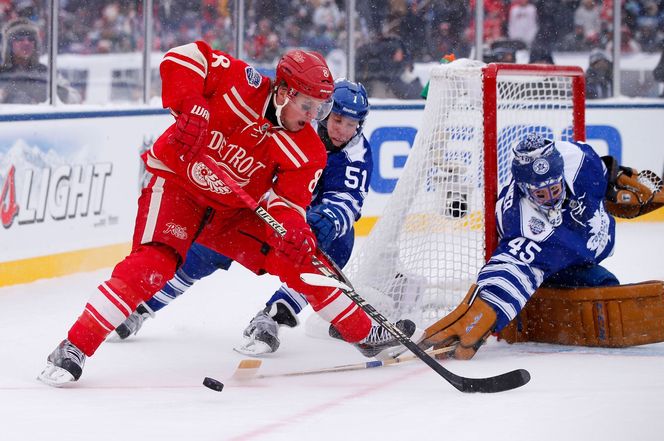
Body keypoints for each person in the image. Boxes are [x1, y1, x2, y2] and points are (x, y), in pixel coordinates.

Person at [38, 42, 415, 387]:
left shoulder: (308, 148)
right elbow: (181, 58)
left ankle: (364, 333)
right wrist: (193, 106)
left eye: (321, 108)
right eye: (308, 106)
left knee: (303, 259)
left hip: (235, 211)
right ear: (283, 91)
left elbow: (287, 201)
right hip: (178, 185)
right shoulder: (241, 81)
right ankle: (75, 345)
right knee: (155, 262)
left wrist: (295, 228)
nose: (314, 116)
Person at [112, 79, 374, 356]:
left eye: (352, 124)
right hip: (259, 209)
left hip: (303, 223)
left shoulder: (356, 154)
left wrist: (329, 219)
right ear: (325, 111)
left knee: (338, 244)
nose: (343, 130)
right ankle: (142, 308)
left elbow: (349, 198)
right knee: (203, 252)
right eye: (338, 119)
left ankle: (271, 318)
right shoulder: (294, 122)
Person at [420, 133, 622, 359]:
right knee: (604, 291)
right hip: (553, 267)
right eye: (540, 194)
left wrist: (615, 182)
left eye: (555, 189)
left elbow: (604, 170)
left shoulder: (580, 161)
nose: (551, 199)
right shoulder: (521, 222)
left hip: (580, 254)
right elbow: (509, 268)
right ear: (525, 189)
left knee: (608, 289)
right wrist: (485, 310)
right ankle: (540, 313)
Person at [0, 18, 80, 104]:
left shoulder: (46, 72)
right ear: (9, 45)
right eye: (20, 39)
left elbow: (75, 98)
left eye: (31, 39)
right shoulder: (2, 73)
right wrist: (6, 93)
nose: (26, 43)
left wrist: (50, 92)